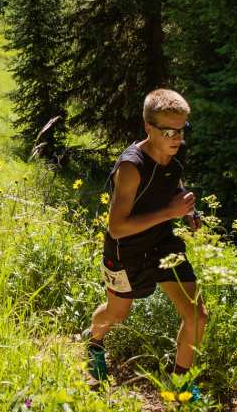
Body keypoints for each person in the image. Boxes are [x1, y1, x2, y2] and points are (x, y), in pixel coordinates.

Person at [86, 88, 207, 386]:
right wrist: (170, 212)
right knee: (117, 314)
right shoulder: (131, 167)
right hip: (125, 251)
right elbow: (117, 227)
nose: (177, 138)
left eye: (182, 130)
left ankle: (181, 385)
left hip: (162, 245)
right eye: (168, 132)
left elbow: (171, 183)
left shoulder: (173, 156)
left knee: (197, 315)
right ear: (148, 128)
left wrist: (186, 209)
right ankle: (94, 344)